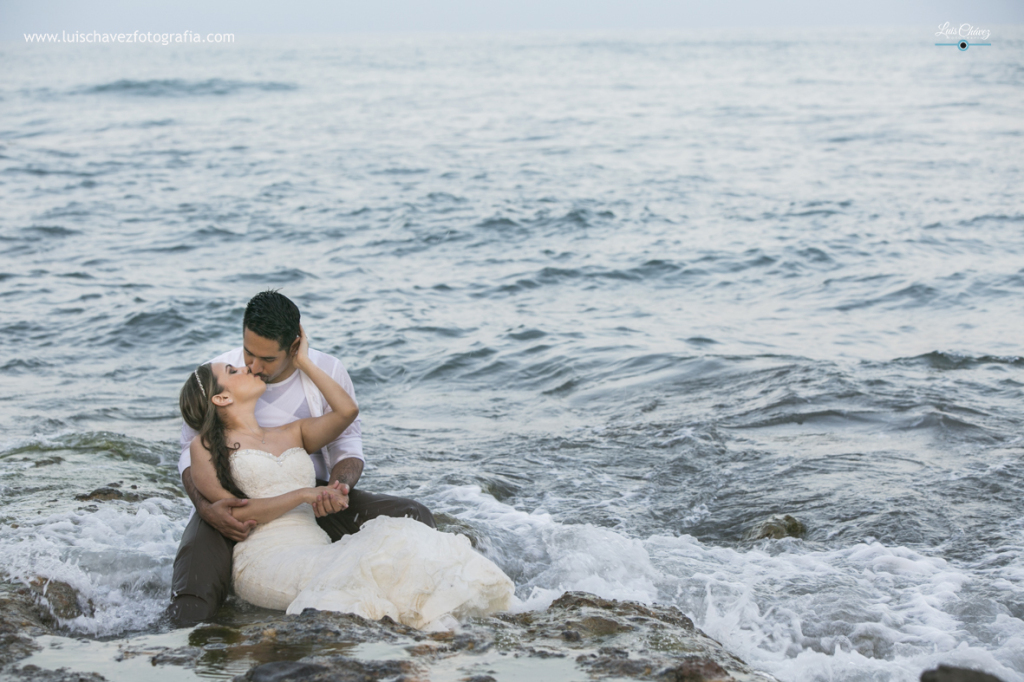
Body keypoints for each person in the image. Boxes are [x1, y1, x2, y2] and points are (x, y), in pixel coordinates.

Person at [178, 326, 513, 629]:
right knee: (361, 573)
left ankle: (439, 630)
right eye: (235, 369)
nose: (248, 366)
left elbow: (347, 413)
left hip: (314, 541)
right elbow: (233, 513)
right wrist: (302, 495)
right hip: (266, 556)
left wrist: (305, 362)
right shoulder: (205, 445)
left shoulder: (290, 432)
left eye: (256, 360)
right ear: (221, 397)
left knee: (396, 539)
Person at [168, 290, 435, 627]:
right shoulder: (218, 375)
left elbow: (347, 439)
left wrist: (338, 488)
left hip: (314, 498)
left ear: (293, 347)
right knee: (195, 589)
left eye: (266, 360)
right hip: (237, 511)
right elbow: (190, 457)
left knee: (413, 517)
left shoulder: (326, 373)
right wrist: (207, 509)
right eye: (248, 353)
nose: (253, 366)